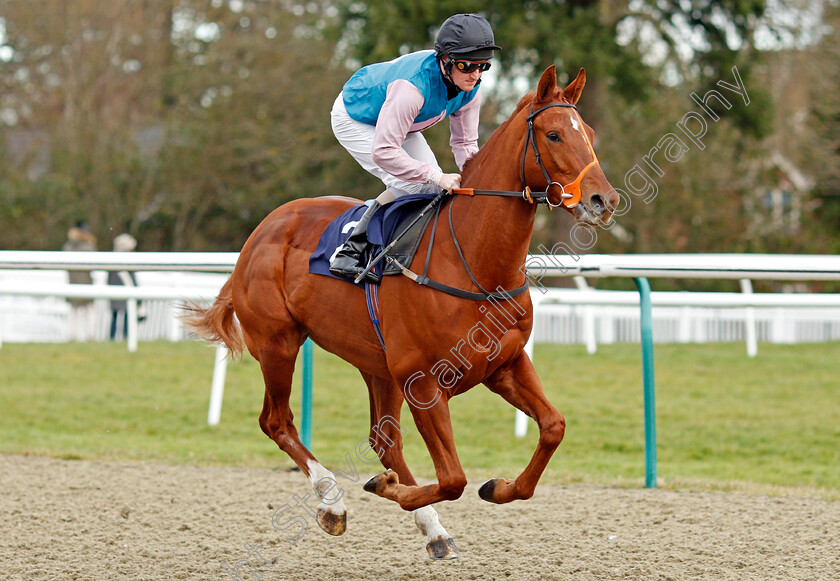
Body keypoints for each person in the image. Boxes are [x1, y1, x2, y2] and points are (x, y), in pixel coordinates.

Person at [329, 13, 501, 282]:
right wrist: (436, 176)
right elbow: (384, 151)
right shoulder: (413, 88)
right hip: (355, 117)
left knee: (431, 186)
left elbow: (465, 143)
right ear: (445, 61)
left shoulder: (471, 88)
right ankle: (350, 250)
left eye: (483, 66)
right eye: (467, 66)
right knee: (422, 185)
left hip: (397, 121)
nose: (475, 75)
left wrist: (482, 181)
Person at [62, 221, 97, 341]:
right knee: (87, 311)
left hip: (74, 281)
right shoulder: (88, 246)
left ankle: (73, 335)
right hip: (85, 281)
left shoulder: (69, 245)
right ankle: (89, 335)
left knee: (75, 312)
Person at [108, 233, 143, 340]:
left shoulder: (112, 259)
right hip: (123, 290)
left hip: (115, 291)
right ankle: (126, 337)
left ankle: (115, 337)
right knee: (126, 315)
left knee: (117, 316)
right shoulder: (128, 260)